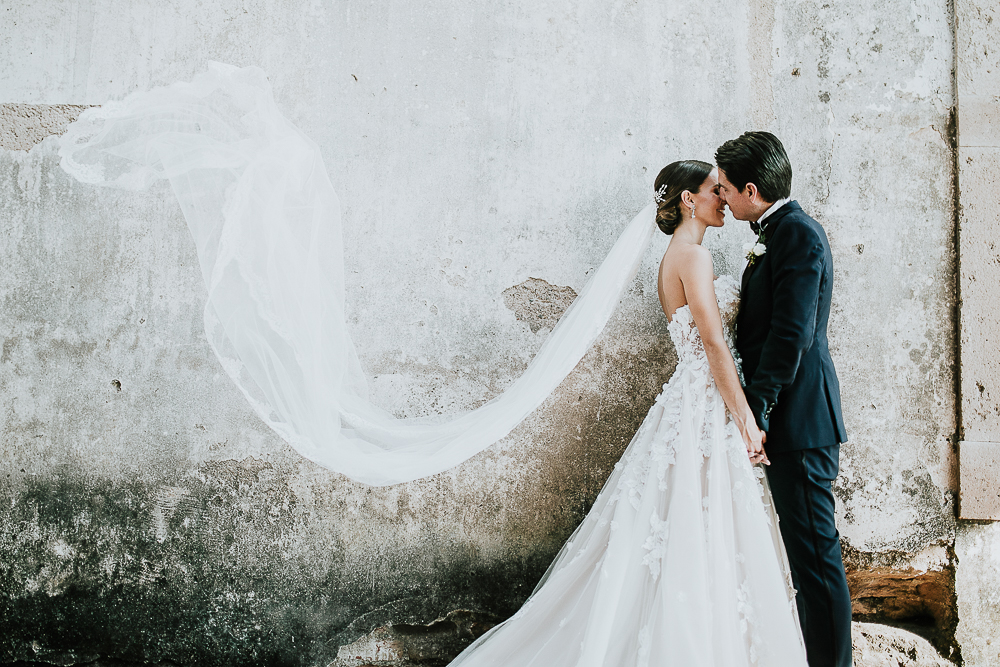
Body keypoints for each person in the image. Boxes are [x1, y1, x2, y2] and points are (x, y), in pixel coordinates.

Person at [446, 160, 808, 666]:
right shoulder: (694, 259)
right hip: (707, 399)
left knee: (689, 520)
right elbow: (712, 345)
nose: (723, 199)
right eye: (713, 190)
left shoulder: (675, 256)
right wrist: (746, 417)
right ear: (688, 200)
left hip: (695, 398)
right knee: (701, 523)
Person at [716, 131, 852, 667]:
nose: (721, 197)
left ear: (752, 189)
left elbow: (790, 333)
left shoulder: (797, 234)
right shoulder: (778, 230)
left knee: (816, 558)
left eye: (725, 188)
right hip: (792, 419)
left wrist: (759, 410)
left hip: (800, 419)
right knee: (805, 556)